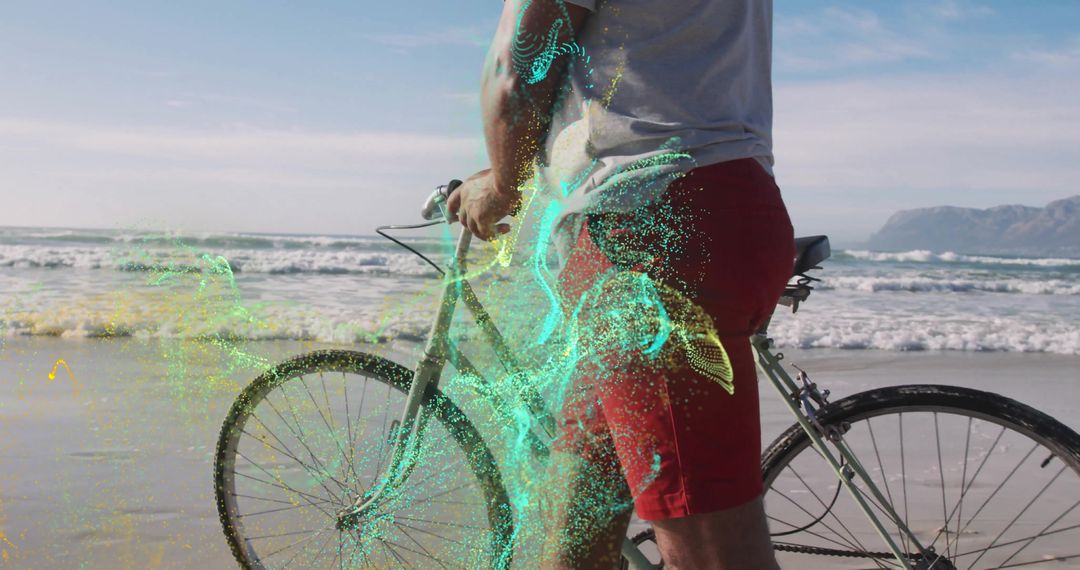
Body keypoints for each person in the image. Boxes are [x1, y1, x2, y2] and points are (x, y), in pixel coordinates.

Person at [448, 1, 793, 568]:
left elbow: (519, 66)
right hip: (727, 199)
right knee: (576, 523)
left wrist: (502, 185)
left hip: (651, 229)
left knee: (711, 551)